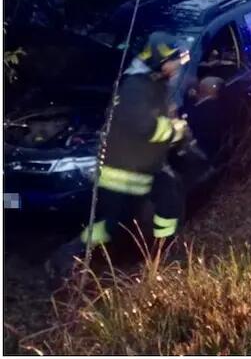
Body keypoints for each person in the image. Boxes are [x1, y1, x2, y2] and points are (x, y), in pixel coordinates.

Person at [47, 33, 195, 278]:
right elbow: (144, 126)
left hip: (142, 168)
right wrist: (174, 130)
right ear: (160, 60)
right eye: (174, 60)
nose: (178, 66)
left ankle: (163, 255)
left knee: (170, 197)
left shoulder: (153, 83)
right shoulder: (136, 87)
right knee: (110, 226)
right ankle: (65, 258)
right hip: (123, 173)